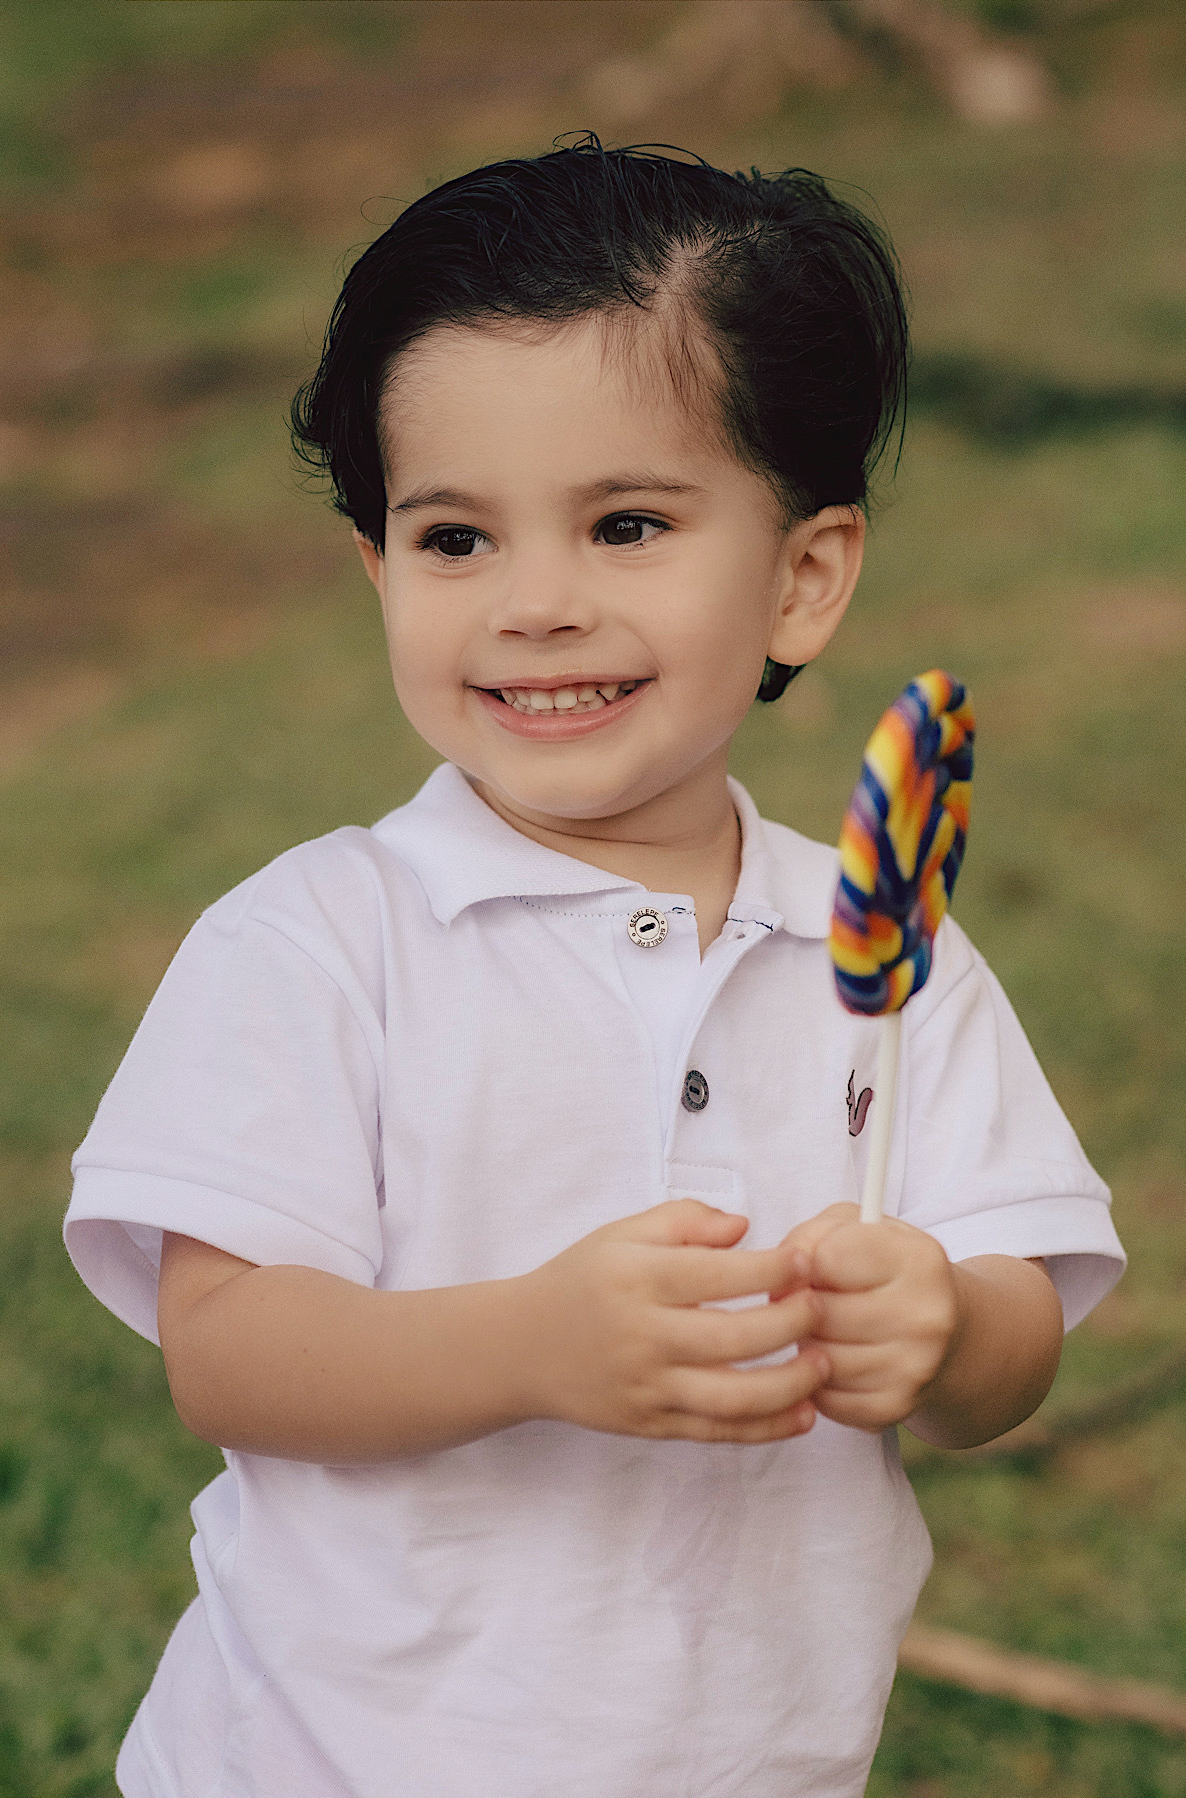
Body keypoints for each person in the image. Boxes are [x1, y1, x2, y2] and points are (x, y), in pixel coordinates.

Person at [64, 142, 1124, 1798]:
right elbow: (228, 1348)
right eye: (456, 539)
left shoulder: (885, 956)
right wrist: (533, 1347)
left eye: (626, 524)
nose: (536, 604)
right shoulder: (320, 942)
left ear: (801, 577)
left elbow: (1011, 1334)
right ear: (378, 569)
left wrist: (942, 1324)